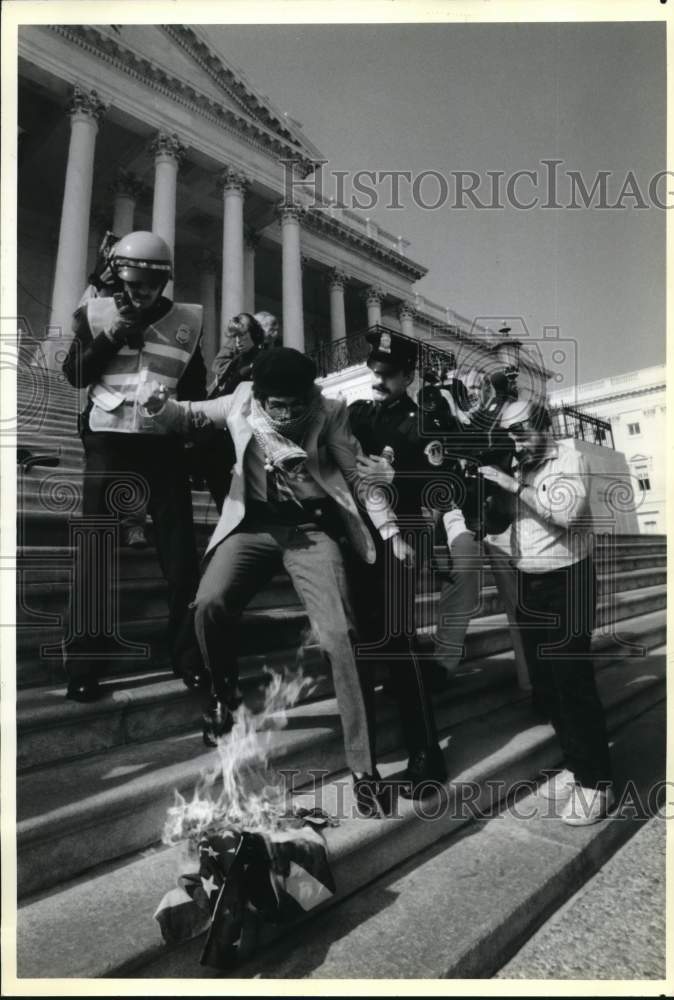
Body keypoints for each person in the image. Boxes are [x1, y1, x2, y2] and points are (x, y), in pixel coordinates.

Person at [141, 347, 411, 816]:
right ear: (261, 396)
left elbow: (355, 473)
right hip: (251, 526)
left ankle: (365, 769)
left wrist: (390, 531)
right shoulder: (242, 399)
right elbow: (186, 417)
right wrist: (156, 405)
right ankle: (224, 699)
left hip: (308, 530)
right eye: (276, 405)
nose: (285, 414)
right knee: (209, 602)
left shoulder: (329, 411)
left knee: (340, 636)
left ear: (308, 394)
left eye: (294, 404)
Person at [61, 230, 206, 702]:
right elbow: (74, 374)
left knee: (181, 555)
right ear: (118, 276)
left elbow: (199, 393)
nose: (137, 291)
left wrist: (184, 424)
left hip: (162, 445)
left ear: (162, 281)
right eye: (129, 281)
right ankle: (85, 661)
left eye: (147, 283)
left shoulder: (188, 322)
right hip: (107, 441)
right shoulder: (99, 311)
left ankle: (188, 656)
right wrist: (107, 340)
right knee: (95, 551)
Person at [479, 399, 614, 825]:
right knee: (548, 684)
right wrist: (491, 494)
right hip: (530, 581)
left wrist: (511, 484)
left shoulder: (569, 456)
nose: (516, 440)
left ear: (545, 426)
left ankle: (598, 783)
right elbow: (503, 522)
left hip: (569, 578)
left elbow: (568, 514)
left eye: (522, 431)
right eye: (509, 433)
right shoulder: (519, 464)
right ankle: (577, 764)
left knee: (571, 680)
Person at [347, 330, 446, 797]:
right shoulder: (362, 413)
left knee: (399, 641)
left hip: (402, 539)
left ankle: (427, 756)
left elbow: (442, 489)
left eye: (387, 374)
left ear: (409, 375)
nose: (378, 379)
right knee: (376, 635)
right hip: (362, 538)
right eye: (375, 371)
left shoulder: (422, 422)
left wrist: (398, 476)